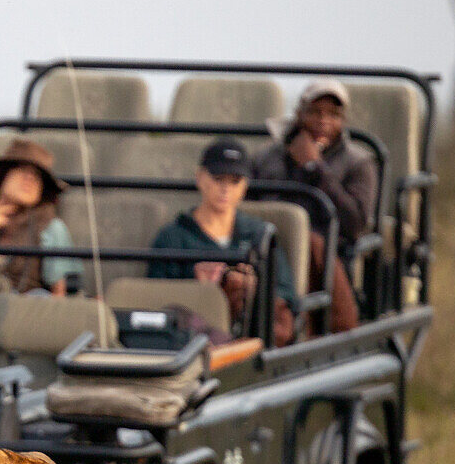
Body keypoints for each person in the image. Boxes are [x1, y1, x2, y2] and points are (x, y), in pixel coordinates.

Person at [147, 138, 296, 346]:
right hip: (191, 342)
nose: (226, 188)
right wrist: (198, 287)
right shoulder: (172, 237)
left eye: (235, 181)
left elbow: (285, 293)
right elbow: (155, 298)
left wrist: (250, 286)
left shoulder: (261, 235)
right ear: (200, 178)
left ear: (245, 186)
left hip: (253, 343)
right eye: (218, 179)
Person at [250, 79, 373, 332]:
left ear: (343, 121)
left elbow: (356, 224)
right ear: (299, 115)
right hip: (268, 246)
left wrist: (316, 169)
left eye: (333, 115)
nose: (324, 121)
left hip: (327, 257)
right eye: (315, 112)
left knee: (310, 243)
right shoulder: (266, 157)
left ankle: (297, 327)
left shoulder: (358, 163)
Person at [0, 138, 84, 296]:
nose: (29, 179)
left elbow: (59, 295)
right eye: (22, 170)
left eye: (37, 176)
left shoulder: (50, 226)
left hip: (23, 311)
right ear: (2, 176)